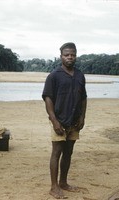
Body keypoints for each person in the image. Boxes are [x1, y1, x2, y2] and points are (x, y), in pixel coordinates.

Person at [42, 42, 87, 199]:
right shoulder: (54, 75)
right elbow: (48, 98)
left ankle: (63, 182)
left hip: (74, 121)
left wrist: (82, 117)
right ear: (61, 56)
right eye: (66, 55)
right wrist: (54, 121)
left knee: (68, 152)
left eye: (72, 54)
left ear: (76, 56)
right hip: (59, 120)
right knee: (57, 152)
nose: (70, 57)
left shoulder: (80, 75)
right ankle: (54, 187)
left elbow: (83, 98)